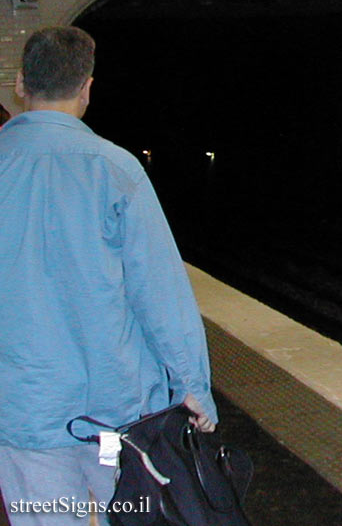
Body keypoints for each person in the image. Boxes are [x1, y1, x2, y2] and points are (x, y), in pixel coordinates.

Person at [0, 26, 217, 524]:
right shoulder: (115, 169)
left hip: (25, 412)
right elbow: (159, 291)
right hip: (115, 414)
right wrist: (191, 384)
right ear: (86, 88)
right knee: (123, 512)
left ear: (19, 83)